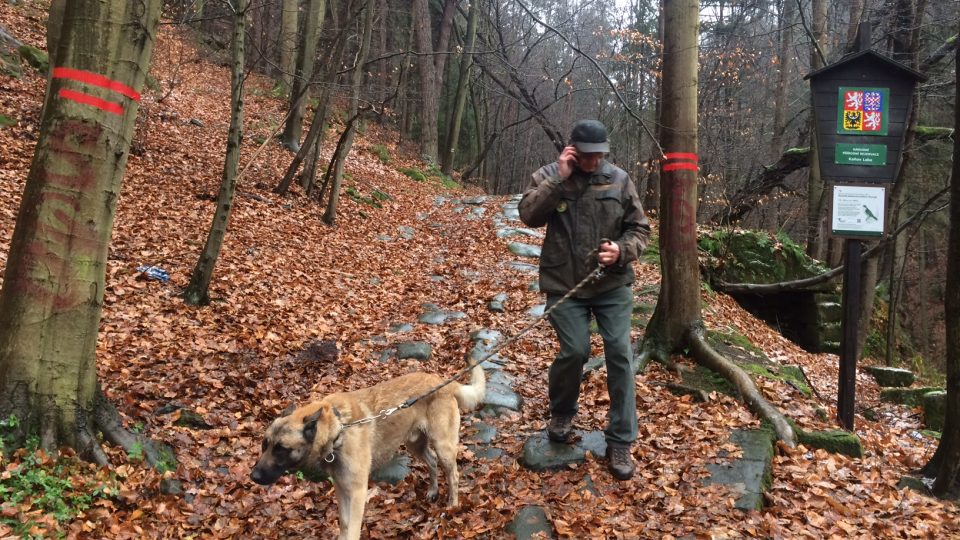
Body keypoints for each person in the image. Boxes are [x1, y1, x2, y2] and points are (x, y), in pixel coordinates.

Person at [518, 119, 651, 481]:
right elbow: (528, 215)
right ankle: (562, 411)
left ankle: (621, 439)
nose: (594, 162)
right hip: (564, 284)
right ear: (572, 150)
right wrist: (559, 178)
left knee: (620, 354)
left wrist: (621, 251)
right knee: (574, 351)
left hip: (612, 286)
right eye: (587, 156)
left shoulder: (620, 179)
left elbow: (640, 228)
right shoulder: (549, 175)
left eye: (600, 156)